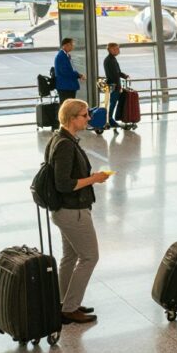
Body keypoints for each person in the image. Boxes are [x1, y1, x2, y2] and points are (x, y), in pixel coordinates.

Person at [48, 99, 112, 325]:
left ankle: (64, 302)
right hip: (72, 211)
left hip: (63, 211)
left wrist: (90, 178)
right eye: (85, 115)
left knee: (70, 256)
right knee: (89, 257)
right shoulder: (65, 145)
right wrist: (93, 179)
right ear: (72, 118)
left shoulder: (60, 138)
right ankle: (70, 308)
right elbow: (63, 184)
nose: (88, 118)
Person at [102, 42, 129, 128]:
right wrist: (118, 86)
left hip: (114, 84)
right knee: (112, 103)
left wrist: (124, 75)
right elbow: (114, 75)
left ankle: (110, 118)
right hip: (114, 85)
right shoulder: (109, 60)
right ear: (110, 49)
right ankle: (109, 119)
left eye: (118, 48)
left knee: (113, 102)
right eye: (116, 49)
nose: (118, 50)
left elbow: (117, 72)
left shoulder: (112, 59)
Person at [54, 37, 84, 103]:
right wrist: (78, 75)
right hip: (66, 87)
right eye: (72, 44)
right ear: (66, 45)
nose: (73, 46)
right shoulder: (61, 56)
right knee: (67, 107)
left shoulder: (66, 55)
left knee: (69, 106)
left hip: (68, 86)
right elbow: (65, 72)